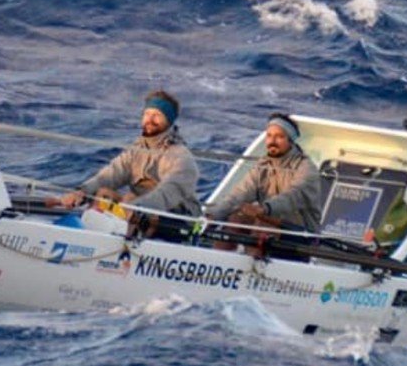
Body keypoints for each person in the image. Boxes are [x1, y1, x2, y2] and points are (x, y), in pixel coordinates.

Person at [52, 90, 202, 241]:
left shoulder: (179, 155)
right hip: (138, 209)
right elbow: (111, 174)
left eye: (157, 115)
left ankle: (121, 252)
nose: (150, 119)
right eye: (147, 114)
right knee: (104, 193)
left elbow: (168, 191)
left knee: (130, 200)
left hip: (178, 219)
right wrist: (81, 192)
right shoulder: (136, 150)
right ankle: (88, 240)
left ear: (168, 121)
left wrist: (138, 206)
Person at [207, 112, 322, 253]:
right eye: (269, 136)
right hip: (270, 222)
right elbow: (240, 194)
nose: (272, 141)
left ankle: (254, 271)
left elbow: (291, 197)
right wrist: (213, 216)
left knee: (262, 224)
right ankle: (219, 265)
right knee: (236, 219)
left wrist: (264, 209)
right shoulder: (263, 166)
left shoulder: (306, 168)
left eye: (279, 137)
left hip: (300, 233)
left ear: (290, 141)